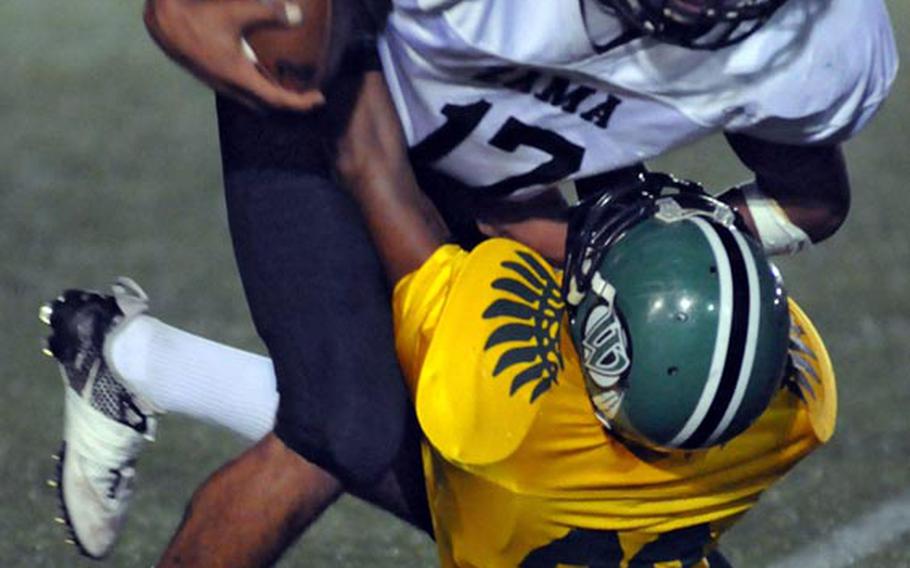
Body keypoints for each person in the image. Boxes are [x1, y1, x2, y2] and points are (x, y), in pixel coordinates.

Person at [45, 0, 896, 560]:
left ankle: (126, 358)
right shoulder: (791, 414)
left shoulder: (815, 51)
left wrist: (630, 240)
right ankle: (130, 360)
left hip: (469, 174)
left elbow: (809, 200)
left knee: (468, 470)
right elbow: (373, 162)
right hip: (339, 89)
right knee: (344, 430)